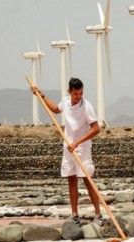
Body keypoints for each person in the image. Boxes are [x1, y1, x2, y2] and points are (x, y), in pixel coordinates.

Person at [31, 78, 102, 225]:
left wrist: (77, 142)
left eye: (81, 93)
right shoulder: (65, 101)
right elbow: (55, 110)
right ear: (69, 92)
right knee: (71, 179)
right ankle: (75, 214)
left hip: (82, 148)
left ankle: (98, 214)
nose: (78, 96)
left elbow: (96, 129)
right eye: (76, 93)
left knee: (88, 181)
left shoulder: (86, 106)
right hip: (68, 146)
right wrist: (40, 95)